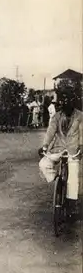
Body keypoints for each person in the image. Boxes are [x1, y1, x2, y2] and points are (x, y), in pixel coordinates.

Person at [39, 92, 83, 222]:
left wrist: (81, 146)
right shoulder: (57, 117)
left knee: (73, 178)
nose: (65, 106)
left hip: (73, 150)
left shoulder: (80, 116)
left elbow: (82, 133)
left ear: (73, 104)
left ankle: (71, 205)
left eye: (68, 103)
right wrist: (45, 146)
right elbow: (50, 131)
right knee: (43, 164)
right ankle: (58, 181)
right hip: (57, 149)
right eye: (63, 103)